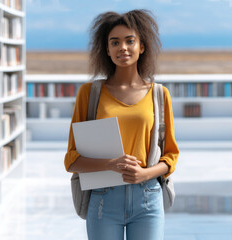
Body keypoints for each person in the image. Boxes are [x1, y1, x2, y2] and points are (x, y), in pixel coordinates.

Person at [64, 9, 179, 240]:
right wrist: (111, 164)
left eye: (130, 41)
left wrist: (144, 174)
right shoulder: (90, 93)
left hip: (148, 198)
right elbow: (71, 160)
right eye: (114, 42)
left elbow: (171, 156)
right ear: (107, 50)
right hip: (103, 200)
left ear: (142, 46)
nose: (122, 48)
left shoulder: (159, 94)